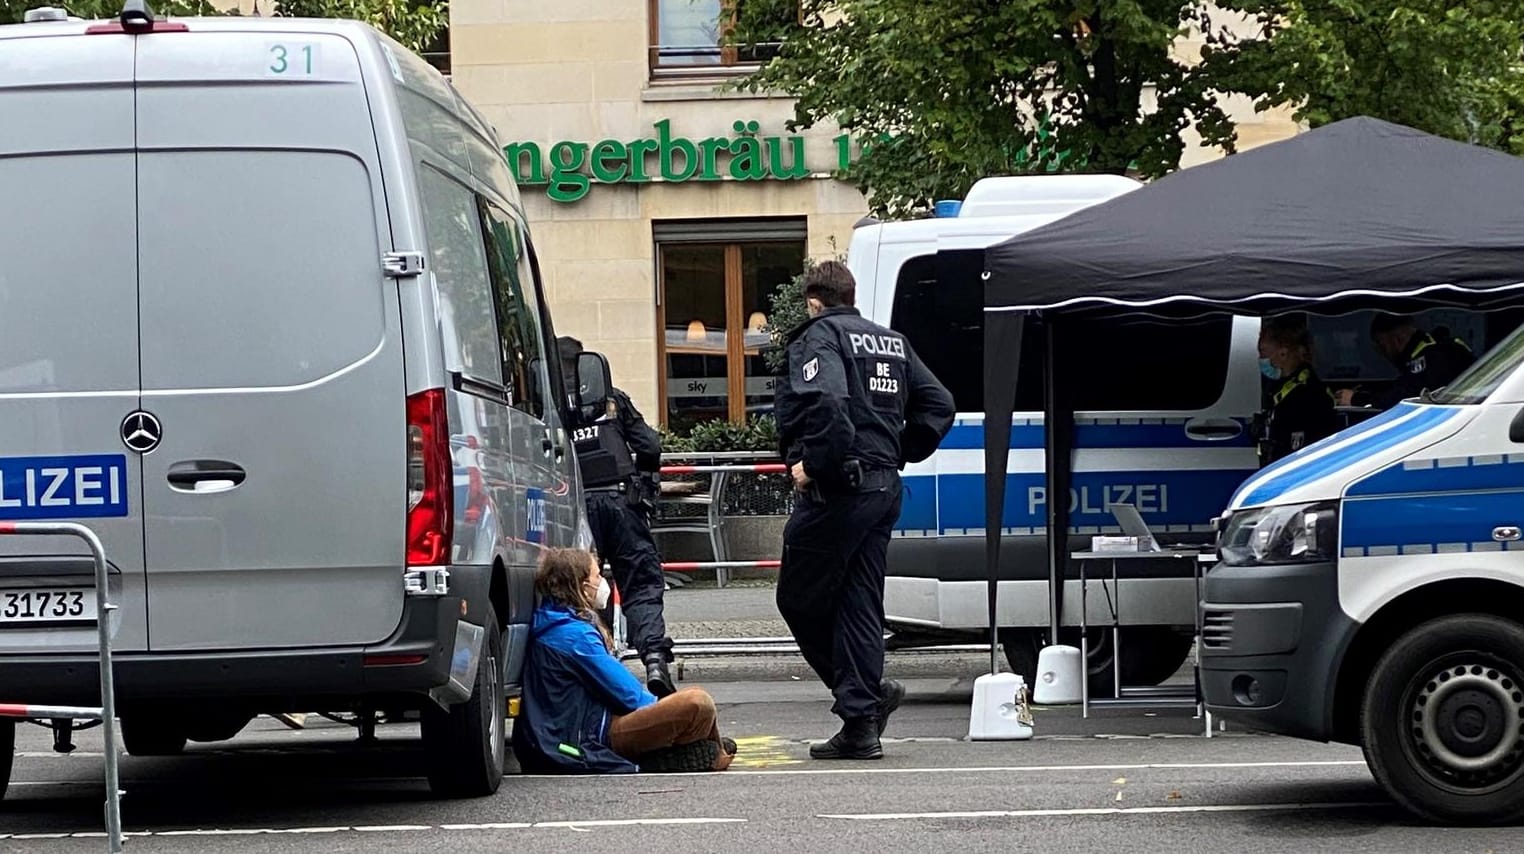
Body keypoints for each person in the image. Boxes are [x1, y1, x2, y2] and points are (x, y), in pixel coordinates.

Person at [773, 260, 955, 761]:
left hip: (838, 491)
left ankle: (864, 702)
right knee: (858, 605)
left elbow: (828, 403)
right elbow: (939, 405)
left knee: (798, 599)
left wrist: (817, 465)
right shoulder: (888, 340)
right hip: (882, 490)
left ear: (813, 301)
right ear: (850, 296)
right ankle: (861, 727)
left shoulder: (819, 337)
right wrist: (896, 452)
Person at [512, 547, 736, 774]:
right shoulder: (574, 636)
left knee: (692, 709)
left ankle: (699, 749)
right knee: (697, 703)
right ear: (582, 587)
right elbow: (628, 694)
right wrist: (663, 715)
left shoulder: (556, 625)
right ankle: (698, 752)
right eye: (596, 576)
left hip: (572, 734)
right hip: (587, 739)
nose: (601, 582)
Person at [557, 336, 675, 698]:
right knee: (640, 584)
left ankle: (599, 666)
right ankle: (654, 659)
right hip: (622, 503)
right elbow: (650, 446)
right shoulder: (612, 400)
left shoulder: (551, 404)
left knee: (581, 590)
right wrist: (648, 482)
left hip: (574, 510)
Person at [1334, 313, 1475, 410]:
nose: (1382, 353)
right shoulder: (1433, 348)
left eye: (1382, 345)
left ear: (1397, 339)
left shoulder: (1431, 357)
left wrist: (1356, 399)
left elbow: (1402, 399)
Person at [1254, 314, 1339, 465]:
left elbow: (1299, 448)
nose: (1260, 358)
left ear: (1283, 353)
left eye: (1263, 352)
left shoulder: (1308, 393)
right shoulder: (1281, 387)